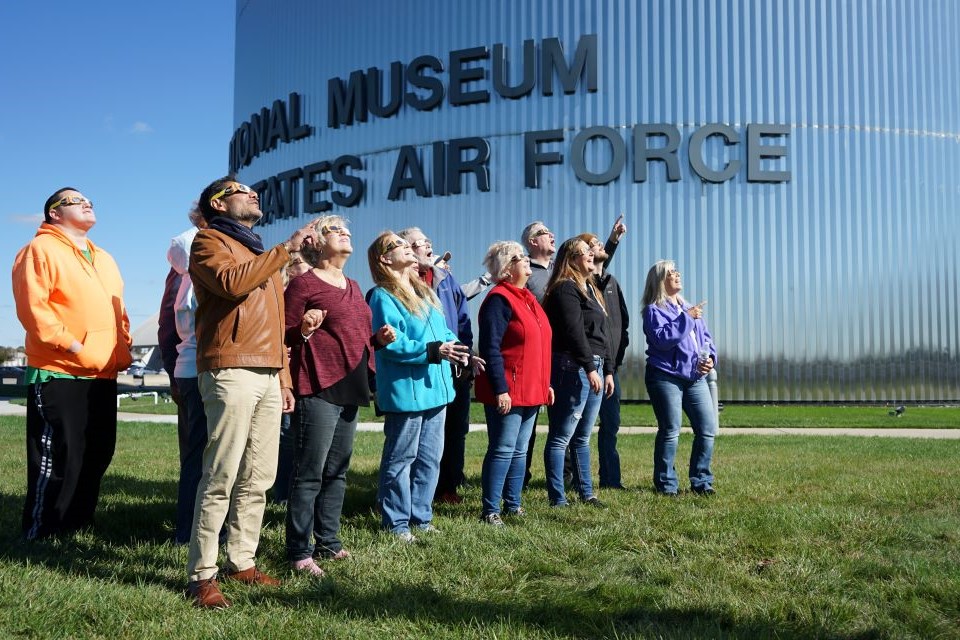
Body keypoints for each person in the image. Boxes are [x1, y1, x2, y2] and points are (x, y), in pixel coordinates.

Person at [185, 177, 317, 609]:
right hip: (230, 367)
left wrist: (283, 377)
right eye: (242, 190)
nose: (254, 193)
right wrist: (286, 250)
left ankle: (242, 560)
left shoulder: (258, 251)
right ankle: (201, 575)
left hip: (266, 372)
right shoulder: (208, 241)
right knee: (221, 474)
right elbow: (231, 284)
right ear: (219, 202)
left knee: (260, 476)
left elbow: (276, 321)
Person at [12, 187, 132, 540]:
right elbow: (34, 309)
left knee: (96, 453)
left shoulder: (105, 257)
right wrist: (74, 345)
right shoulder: (39, 250)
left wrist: (121, 350)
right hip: (59, 369)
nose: (87, 203)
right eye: (76, 201)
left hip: (102, 372)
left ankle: (78, 524)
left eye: (89, 200)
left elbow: (119, 311)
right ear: (54, 213)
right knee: (59, 455)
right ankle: (43, 531)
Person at [284, 216, 395, 576]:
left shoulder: (354, 284)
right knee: (309, 473)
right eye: (335, 230)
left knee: (337, 471)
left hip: (351, 384)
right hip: (317, 385)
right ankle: (300, 551)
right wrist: (302, 327)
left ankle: (328, 542)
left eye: (347, 229)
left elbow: (356, 335)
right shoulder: (302, 284)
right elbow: (282, 332)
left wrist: (377, 340)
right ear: (317, 242)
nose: (345, 233)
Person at [366, 232, 481, 543]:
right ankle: (397, 524)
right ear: (384, 259)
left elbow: (444, 331)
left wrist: (464, 353)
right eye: (397, 244)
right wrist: (435, 351)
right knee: (401, 458)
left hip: (437, 388)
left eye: (406, 243)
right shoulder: (382, 296)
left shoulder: (424, 292)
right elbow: (390, 344)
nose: (406, 246)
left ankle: (421, 517)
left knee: (430, 458)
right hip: (407, 391)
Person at [475, 241, 553, 526]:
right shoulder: (499, 299)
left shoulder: (527, 298)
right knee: (503, 448)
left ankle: (513, 503)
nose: (527, 262)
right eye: (520, 258)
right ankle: (490, 509)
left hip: (532, 387)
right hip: (508, 388)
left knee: (520, 450)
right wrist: (500, 388)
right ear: (507, 269)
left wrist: (546, 383)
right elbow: (491, 347)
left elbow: (539, 346)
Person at [397, 227, 473, 505]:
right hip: (423, 365)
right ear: (406, 251)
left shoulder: (446, 278)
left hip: (453, 365)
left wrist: (466, 355)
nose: (428, 246)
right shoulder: (403, 283)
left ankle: (447, 487)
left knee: (454, 430)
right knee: (417, 437)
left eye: (429, 241)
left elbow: (462, 320)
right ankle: (409, 497)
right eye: (420, 243)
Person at [542, 237, 613, 508]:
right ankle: (557, 498)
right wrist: (588, 367)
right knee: (561, 436)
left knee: (583, 436)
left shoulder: (591, 289)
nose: (591, 255)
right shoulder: (565, 289)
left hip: (594, 366)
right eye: (585, 252)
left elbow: (601, 334)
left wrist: (606, 370)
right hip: (573, 366)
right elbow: (574, 333)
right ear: (571, 259)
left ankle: (587, 493)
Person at [641, 260, 718, 496]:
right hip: (665, 377)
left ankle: (702, 482)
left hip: (695, 377)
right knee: (671, 430)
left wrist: (711, 359)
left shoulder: (689, 308)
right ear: (660, 280)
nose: (677, 274)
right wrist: (687, 317)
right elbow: (663, 339)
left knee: (707, 429)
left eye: (676, 271)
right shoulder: (654, 310)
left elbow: (706, 340)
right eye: (671, 272)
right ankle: (666, 485)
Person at [167, 208, 210, 545]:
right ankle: (190, 531)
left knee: (203, 453)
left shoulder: (188, 275)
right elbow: (170, 327)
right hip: (200, 369)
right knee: (200, 455)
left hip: (195, 368)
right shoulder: (195, 272)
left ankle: (198, 530)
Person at [576, 229, 630, 489]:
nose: (598, 247)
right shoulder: (584, 286)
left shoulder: (611, 282)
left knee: (611, 425)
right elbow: (593, 270)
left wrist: (616, 359)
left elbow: (624, 322)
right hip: (586, 367)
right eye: (593, 245)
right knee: (578, 427)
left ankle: (610, 479)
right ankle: (573, 480)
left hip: (611, 368)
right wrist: (611, 242)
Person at [272, 251, 312, 505]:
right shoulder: (283, 294)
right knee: (286, 435)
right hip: (287, 372)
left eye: (305, 261)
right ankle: (283, 494)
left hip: (309, 371)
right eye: (296, 263)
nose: (303, 267)